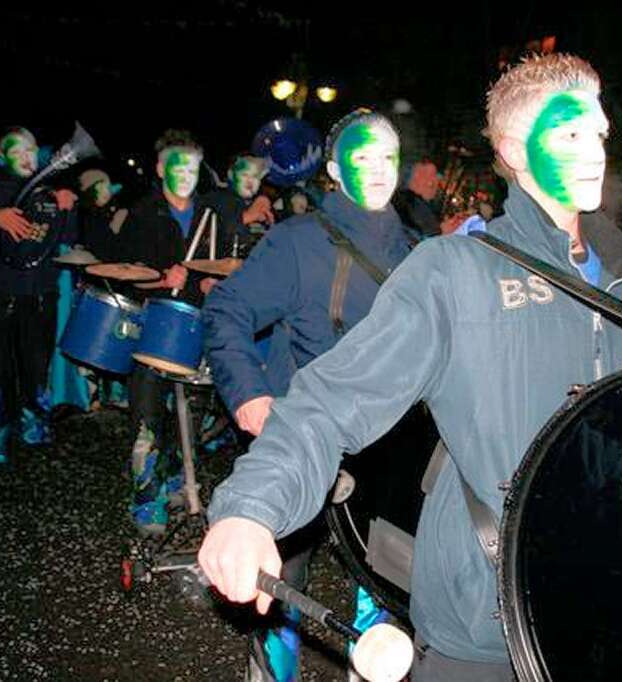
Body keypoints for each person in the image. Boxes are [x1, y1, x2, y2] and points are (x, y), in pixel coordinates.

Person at [198, 53, 622, 680]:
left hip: (603, 601)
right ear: (514, 149)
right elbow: (333, 398)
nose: (595, 150)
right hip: (486, 613)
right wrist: (251, 507)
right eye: (570, 133)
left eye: (600, 133)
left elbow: (616, 419)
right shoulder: (455, 269)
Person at [204, 108, 415, 682]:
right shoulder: (299, 241)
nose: (377, 169)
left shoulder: (421, 254)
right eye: (361, 157)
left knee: (385, 589)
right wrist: (249, 394)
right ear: (337, 173)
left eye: (387, 156)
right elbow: (226, 310)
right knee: (281, 590)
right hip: (304, 442)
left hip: (388, 457)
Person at [116, 129, 221, 534]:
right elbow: (123, 274)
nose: (186, 175)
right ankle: (145, 499)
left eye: (193, 167)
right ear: (161, 168)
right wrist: (161, 278)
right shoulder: (143, 214)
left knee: (190, 416)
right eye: (178, 166)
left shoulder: (211, 216)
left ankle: (179, 480)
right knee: (148, 418)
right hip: (152, 327)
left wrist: (214, 283)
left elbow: (223, 264)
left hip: (195, 323)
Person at [0, 127, 78, 467]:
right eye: (18, 151)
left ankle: (35, 428)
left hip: (41, 295)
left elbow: (68, 237)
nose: (26, 157)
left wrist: (67, 208)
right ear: (2, 154)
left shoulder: (47, 188)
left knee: (37, 365)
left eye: (31, 150)